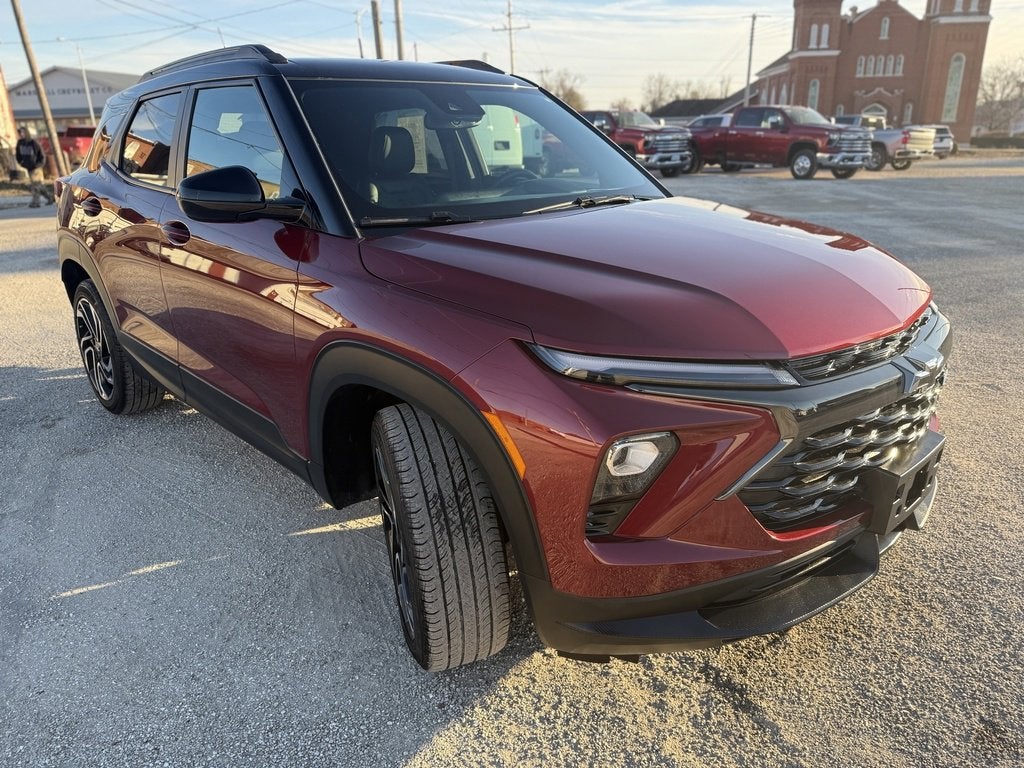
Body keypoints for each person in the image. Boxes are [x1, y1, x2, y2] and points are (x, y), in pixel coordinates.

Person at [15, 126, 55, 207]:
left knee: (35, 185)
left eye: (22, 132)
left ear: (26, 133)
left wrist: (39, 164)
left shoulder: (33, 143)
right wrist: (21, 162)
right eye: (20, 133)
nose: (21, 134)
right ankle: (50, 197)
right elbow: (18, 154)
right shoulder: (20, 143)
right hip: (28, 167)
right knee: (39, 185)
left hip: (36, 167)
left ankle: (36, 202)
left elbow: (42, 155)